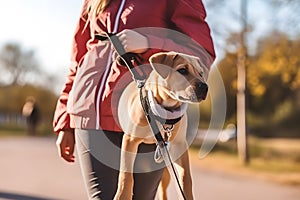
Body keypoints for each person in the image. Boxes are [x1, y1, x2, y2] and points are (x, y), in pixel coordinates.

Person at [53, 0, 215, 199]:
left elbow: (201, 52)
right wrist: (64, 119)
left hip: (149, 114)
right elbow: (77, 61)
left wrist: (148, 42)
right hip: (90, 111)